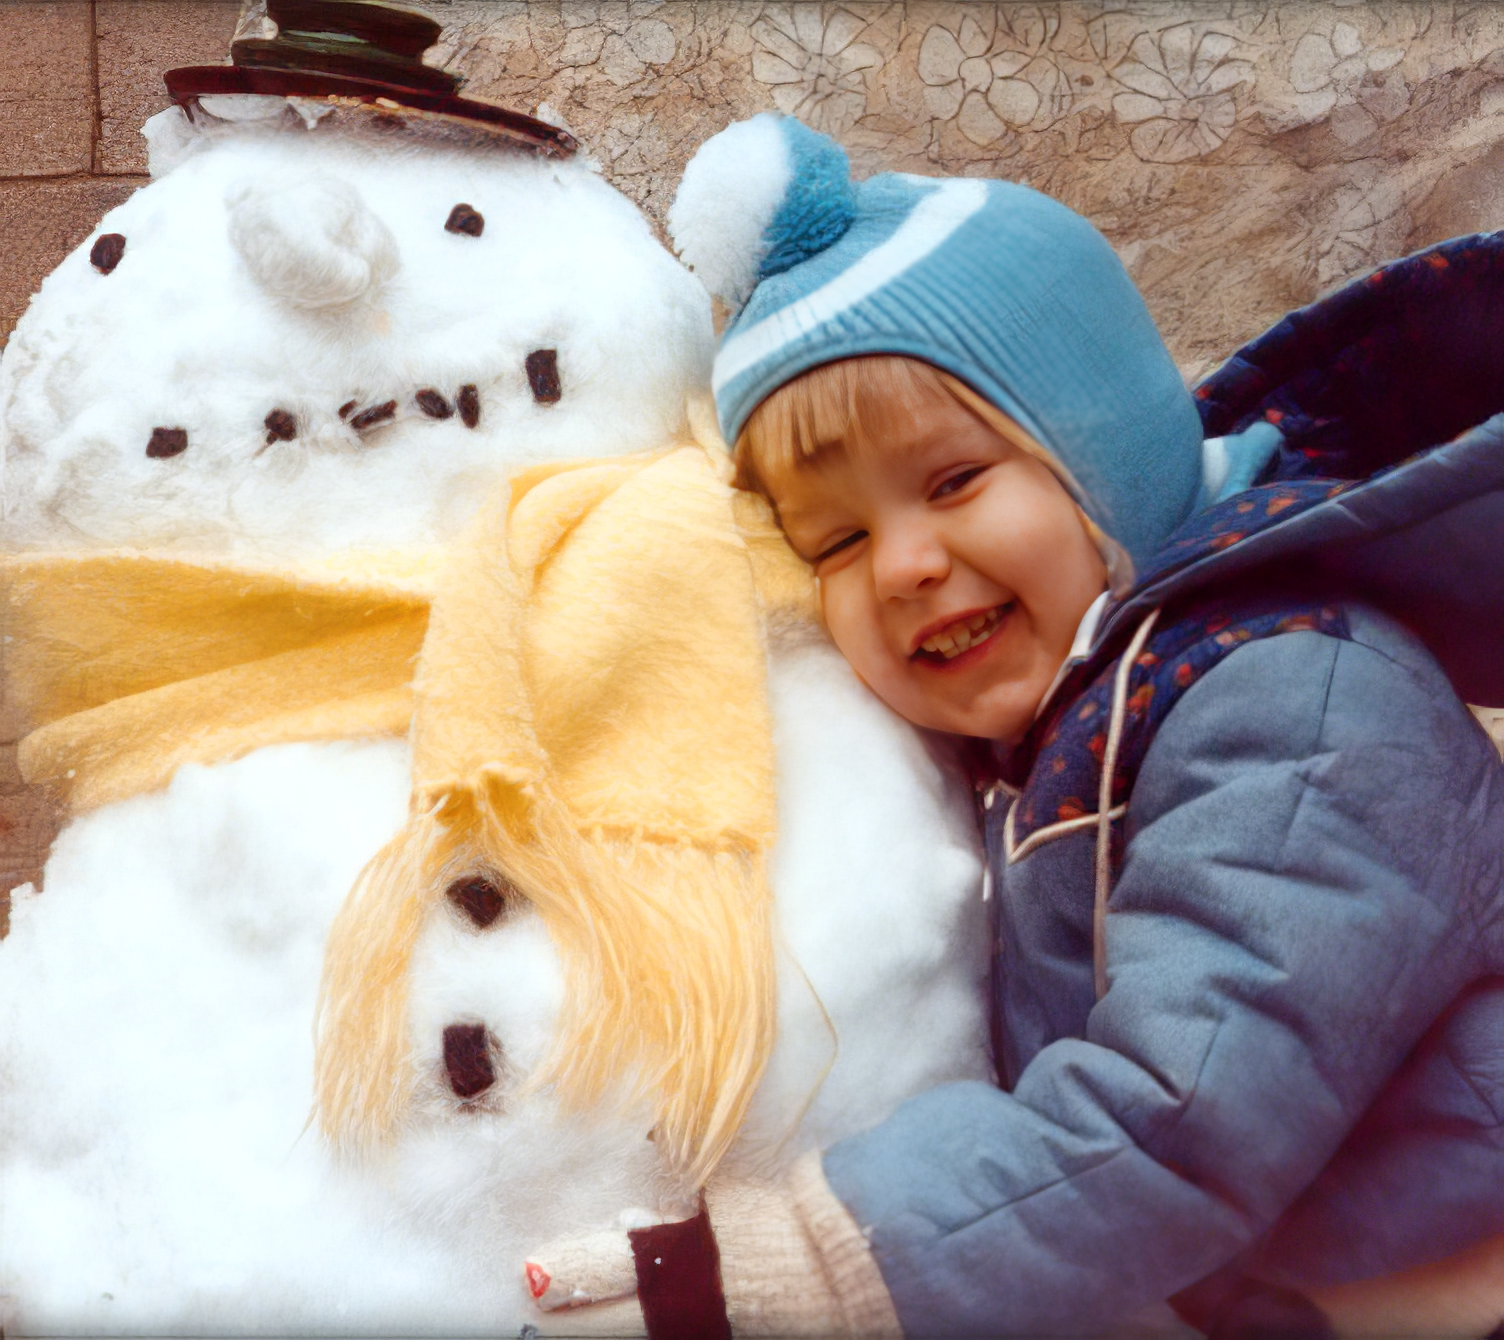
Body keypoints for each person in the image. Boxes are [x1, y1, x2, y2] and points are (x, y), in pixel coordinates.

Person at [526, 113, 1504, 1337]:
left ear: (1111, 452)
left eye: (950, 481)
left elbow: (1181, 1107)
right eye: (834, 539)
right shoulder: (1092, 703)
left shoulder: (1293, 698)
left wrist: (806, 1264)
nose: (905, 565)